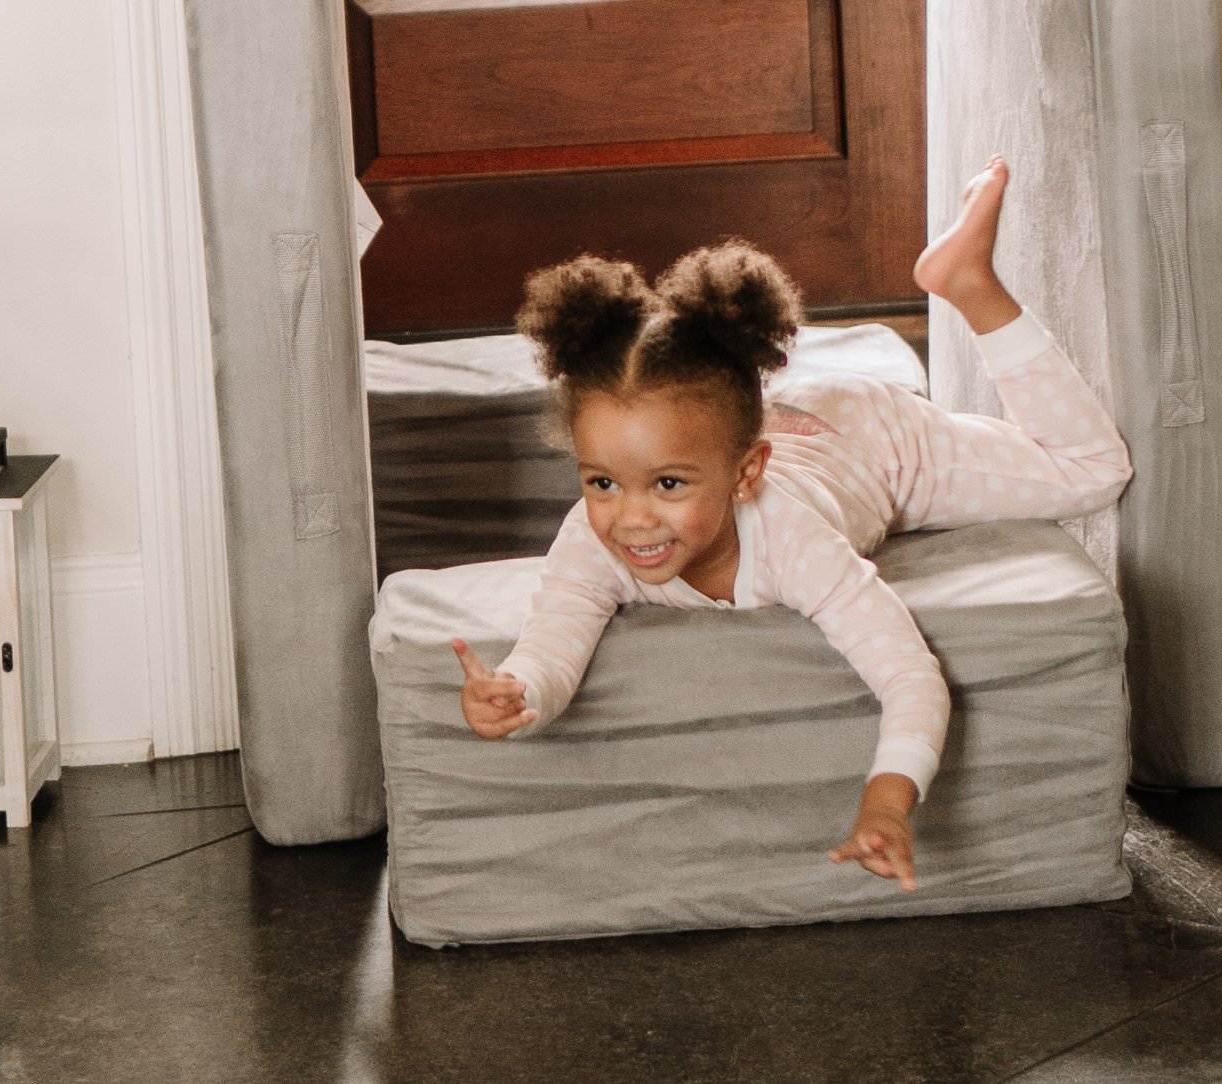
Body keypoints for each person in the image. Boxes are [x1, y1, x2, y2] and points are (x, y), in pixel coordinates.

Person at [451, 156, 1132, 893]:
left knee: (1092, 470)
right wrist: (519, 689)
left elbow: (908, 674)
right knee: (689, 440)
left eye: (668, 484)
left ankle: (968, 283)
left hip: (871, 441)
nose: (631, 517)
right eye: (602, 482)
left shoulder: (792, 540)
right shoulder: (593, 538)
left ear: (747, 476)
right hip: (767, 428)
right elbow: (555, 640)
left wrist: (888, 798)